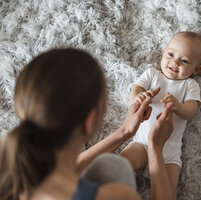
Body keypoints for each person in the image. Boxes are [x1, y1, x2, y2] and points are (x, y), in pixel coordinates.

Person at [0, 48, 175, 200]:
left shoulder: (8, 155)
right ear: (90, 121)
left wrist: (124, 132)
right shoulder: (117, 195)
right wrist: (155, 146)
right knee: (115, 169)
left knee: (111, 166)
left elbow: (60, 167)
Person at [120, 31, 201, 199]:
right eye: (171, 54)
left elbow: (191, 111)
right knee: (118, 166)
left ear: (197, 69)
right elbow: (136, 88)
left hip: (169, 154)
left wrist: (179, 107)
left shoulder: (190, 85)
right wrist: (138, 96)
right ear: (164, 51)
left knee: (168, 193)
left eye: (184, 60)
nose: (174, 62)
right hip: (141, 145)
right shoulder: (153, 74)